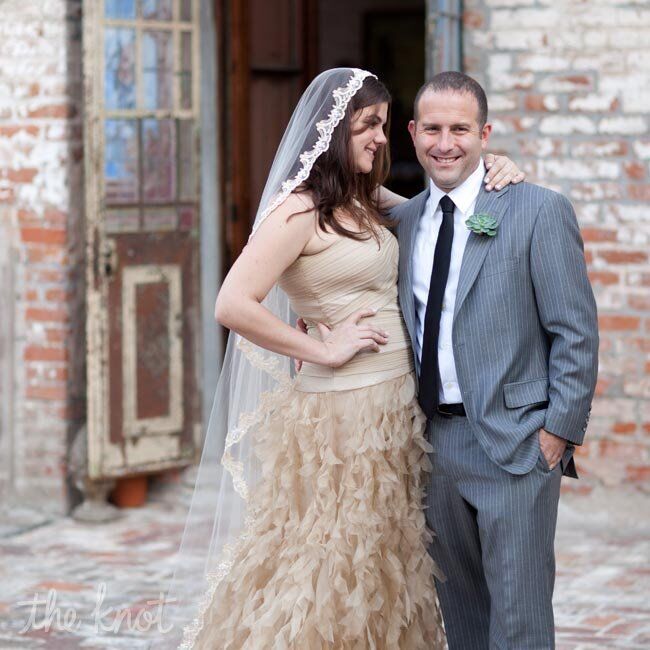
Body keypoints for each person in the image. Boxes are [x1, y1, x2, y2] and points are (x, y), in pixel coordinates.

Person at [162, 68, 524, 649]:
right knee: (329, 566)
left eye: (383, 125)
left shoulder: (364, 199)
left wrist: (493, 168)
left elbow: (442, 218)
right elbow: (232, 302)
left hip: (394, 415)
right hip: (341, 420)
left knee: (381, 564)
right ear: (335, 132)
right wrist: (321, 348)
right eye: (368, 126)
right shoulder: (300, 209)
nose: (381, 138)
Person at [393, 71, 599, 649]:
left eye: (460, 128)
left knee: (520, 621)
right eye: (432, 128)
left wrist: (556, 434)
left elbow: (575, 332)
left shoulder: (538, 210)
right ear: (412, 133)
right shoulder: (404, 222)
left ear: (484, 133)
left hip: (516, 446)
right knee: (462, 617)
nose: (445, 143)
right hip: (435, 446)